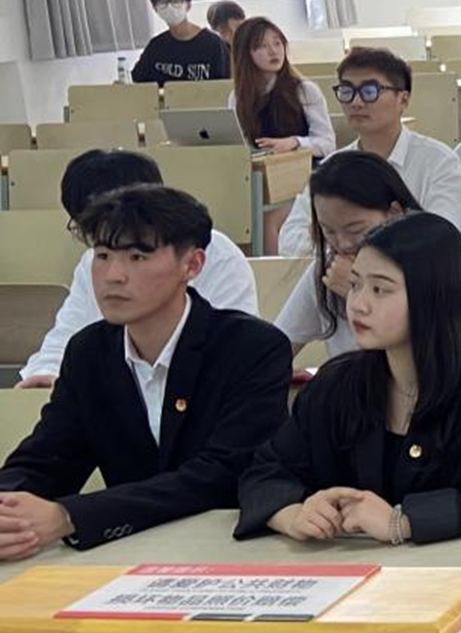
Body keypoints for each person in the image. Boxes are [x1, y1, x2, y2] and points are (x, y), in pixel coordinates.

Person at [0, 185, 291, 556]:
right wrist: (7, 505)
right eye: (102, 255)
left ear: (192, 265)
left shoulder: (252, 347)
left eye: (137, 257)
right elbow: (48, 458)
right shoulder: (89, 351)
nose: (113, 275)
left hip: (232, 548)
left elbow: (221, 475)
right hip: (128, 553)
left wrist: (70, 516)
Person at [237, 213, 461, 544]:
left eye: (380, 289)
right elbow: (265, 471)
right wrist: (292, 514)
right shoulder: (336, 384)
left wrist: (406, 521)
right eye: (355, 285)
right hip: (345, 566)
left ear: (435, 296)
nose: (359, 304)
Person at [18, 150, 256, 388]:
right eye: (99, 244)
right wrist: (46, 374)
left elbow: (233, 348)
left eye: (136, 256)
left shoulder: (215, 255)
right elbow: (63, 337)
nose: (114, 274)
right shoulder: (92, 263)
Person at [277, 47, 461, 256]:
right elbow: (289, 239)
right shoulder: (333, 167)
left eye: (369, 91)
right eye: (347, 91)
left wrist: (359, 254)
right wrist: (346, 250)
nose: (356, 102)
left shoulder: (438, 161)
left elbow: (443, 236)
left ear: (403, 100)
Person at [275, 151, 421, 362]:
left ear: (394, 213)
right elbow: (278, 347)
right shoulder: (327, 270)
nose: (343, 244)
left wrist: (356, 292)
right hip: (352, 383)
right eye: (329, 231)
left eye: (355, 229)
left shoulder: (432, 262)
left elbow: (433, 353)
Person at [229, 16, 334, 157]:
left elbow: (327, 144)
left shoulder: (304, 90)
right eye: (262, 46)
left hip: (304, 166)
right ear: (245, 54)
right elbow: (239, 148)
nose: (273, 51)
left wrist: (295, 142)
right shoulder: (237, 97)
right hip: (261, 167)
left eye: (277, 43)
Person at [130, 0, 230, 84]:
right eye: (163, 3)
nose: (170, 7)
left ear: (188, 5)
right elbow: (140, 81)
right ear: (155, 9)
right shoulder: (156, 46)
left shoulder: (213, 44)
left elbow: (225, 84)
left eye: (175, 2)